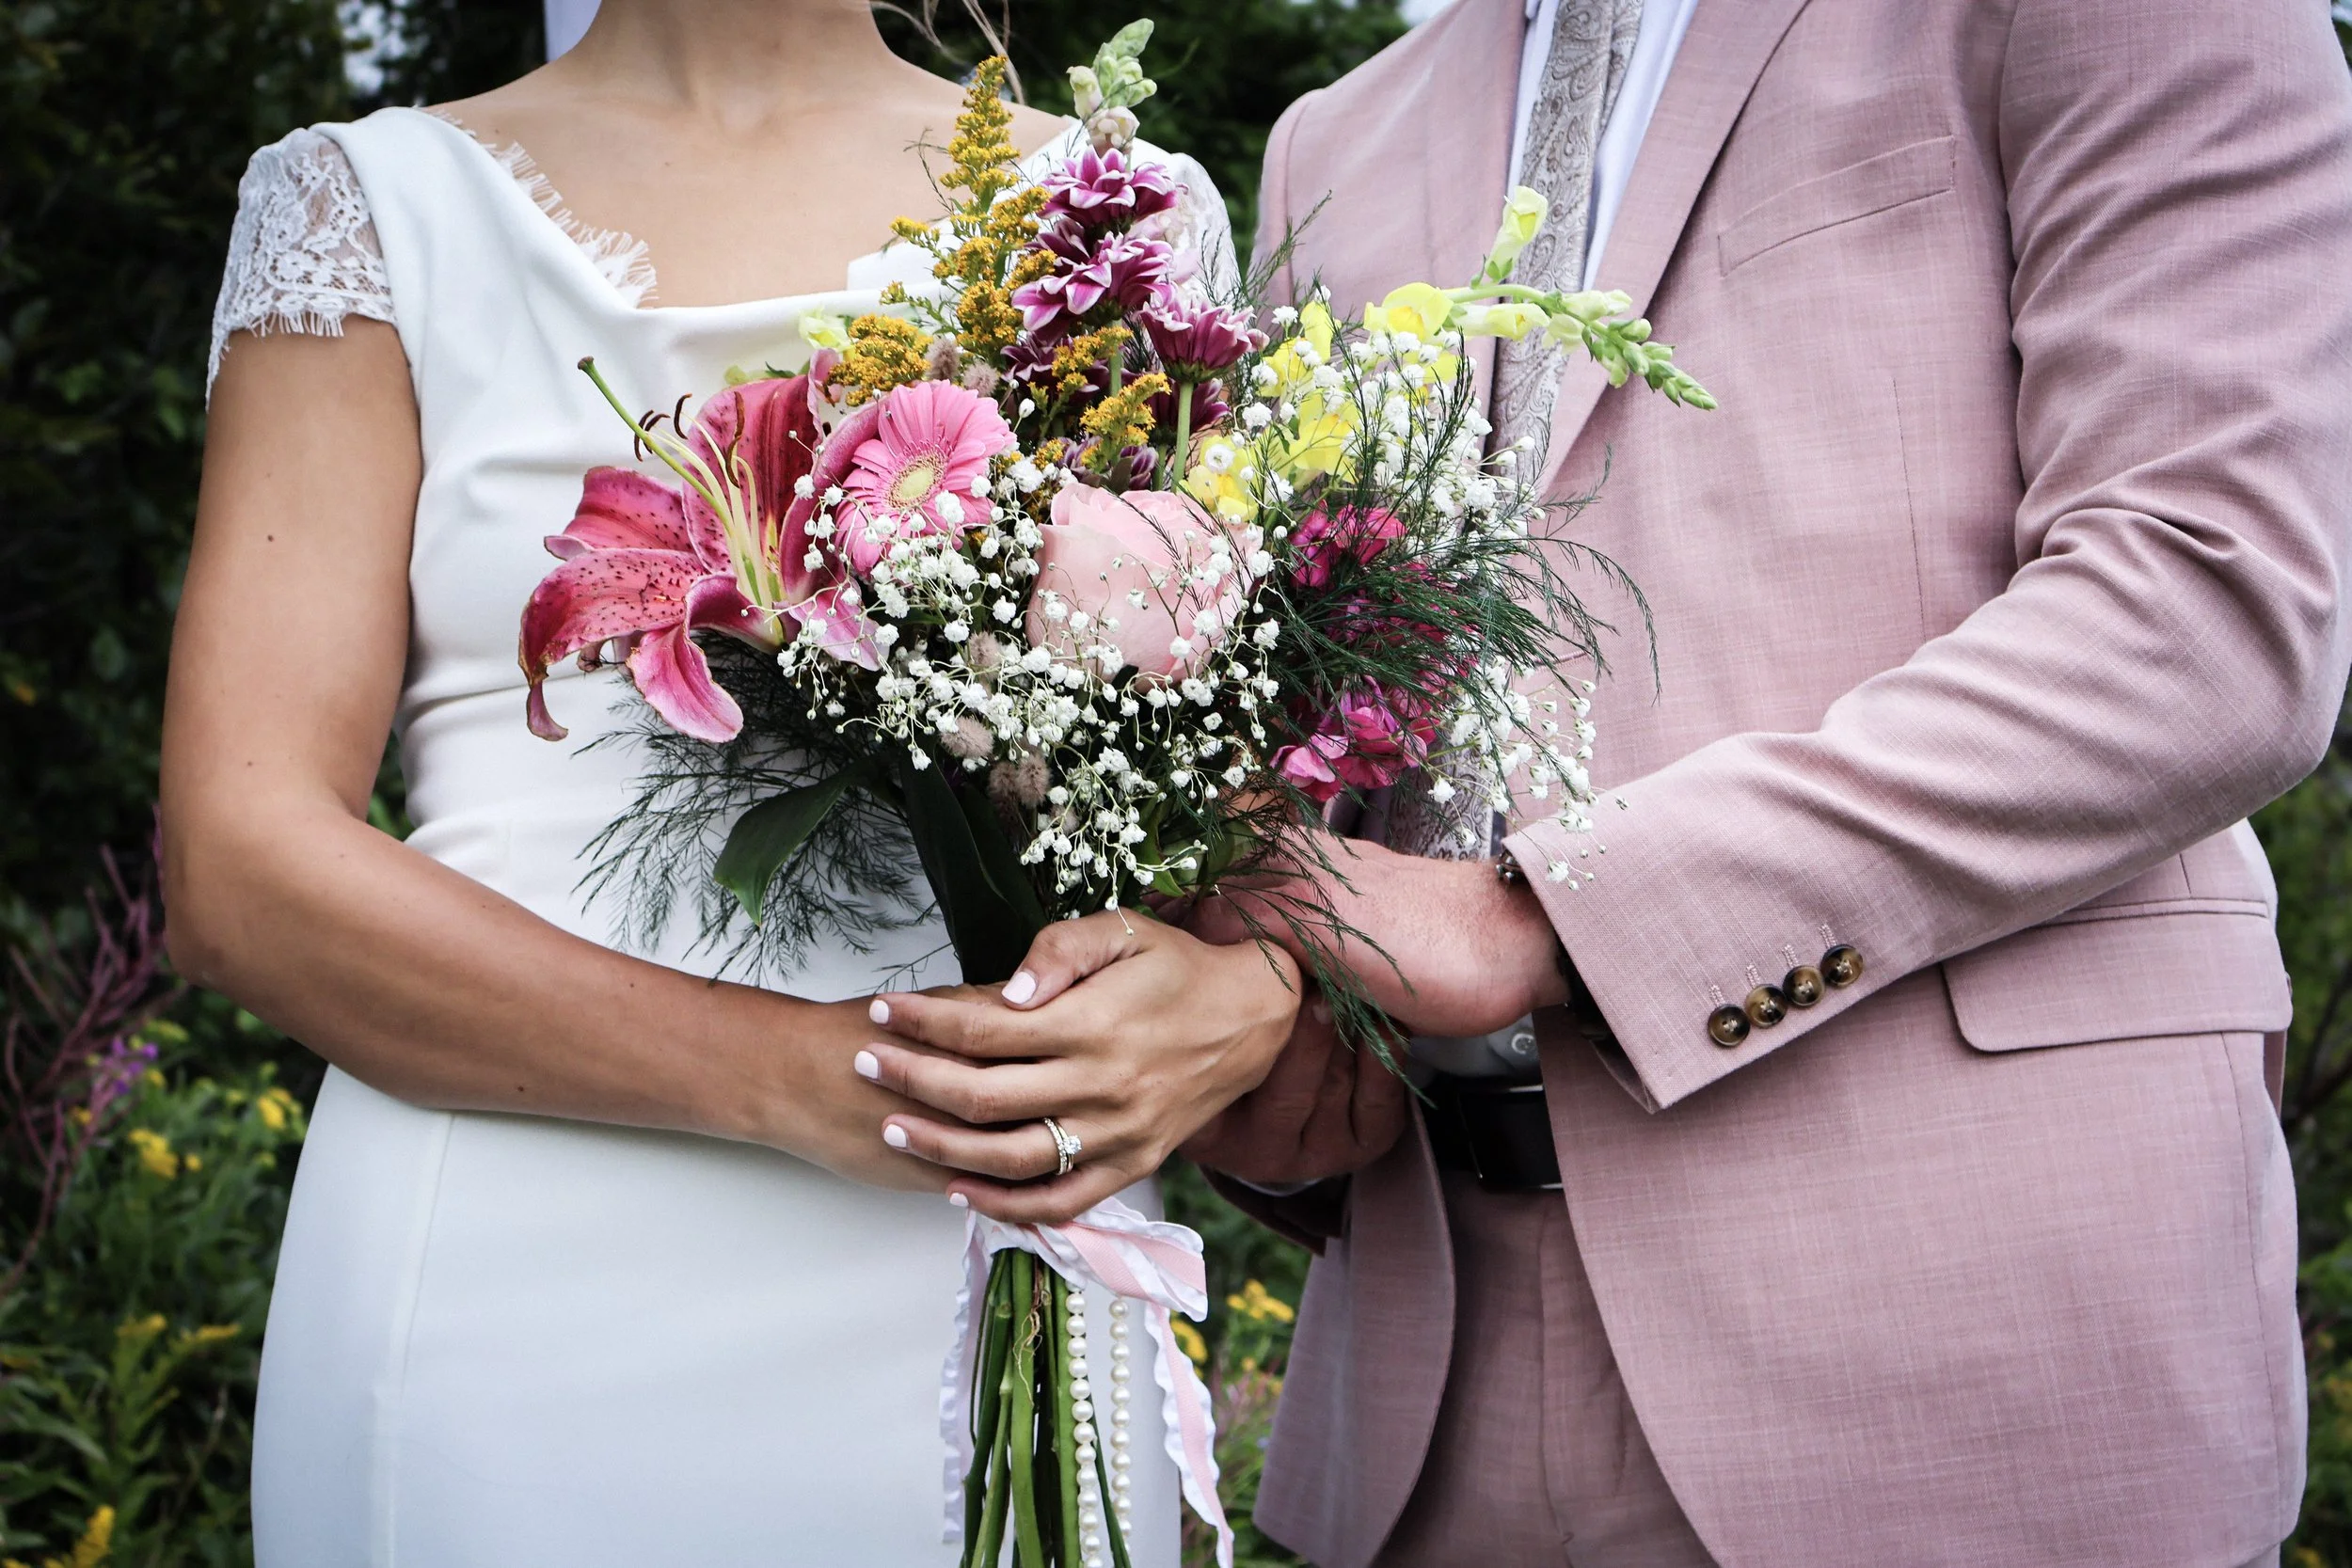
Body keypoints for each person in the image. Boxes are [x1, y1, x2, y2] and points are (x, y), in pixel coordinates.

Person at [882, 0, 2352, 1563]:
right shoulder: (1338, 136)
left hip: (1971, 1329)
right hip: (1430, 1368)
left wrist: (1550, 920)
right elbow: (1312, 694)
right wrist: (1270, 1025)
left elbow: (2208, 604)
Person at [161, 1, 1299, 1561]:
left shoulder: (1127, 210)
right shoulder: (366, 210)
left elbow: (1213, 819)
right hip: (508, 1294)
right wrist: (794, 1078)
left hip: (1000, 1264)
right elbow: (242, 867)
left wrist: (1248, 985)